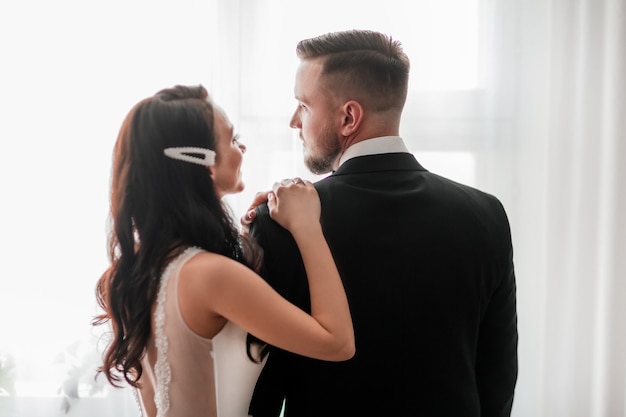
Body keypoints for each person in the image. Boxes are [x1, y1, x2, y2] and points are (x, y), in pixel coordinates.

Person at [244, 30, 518, 417]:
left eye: (303, 105)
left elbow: (262, 391)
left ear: (348, 117)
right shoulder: (487, 215)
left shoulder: (279, 225)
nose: (293, 122)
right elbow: (497, 381)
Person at [92, 85, 355, 417]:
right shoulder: (210, 275)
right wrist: (306, 226)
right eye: (232, 139)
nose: (242, 147)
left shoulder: (131, 274)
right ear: (204, 164)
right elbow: (337, 343)